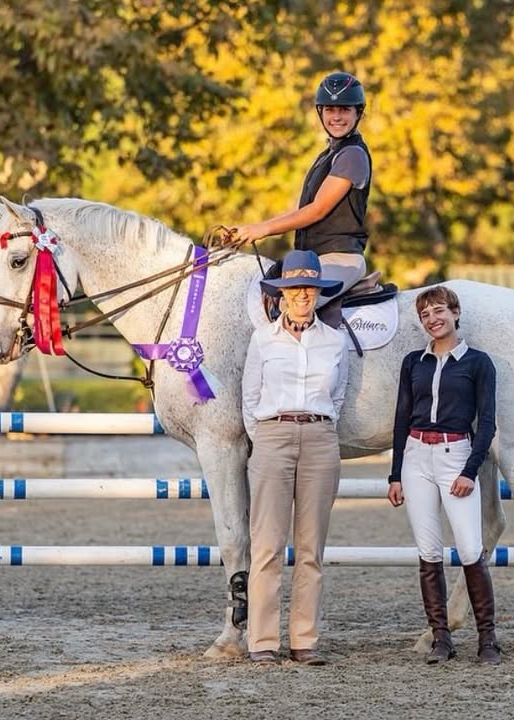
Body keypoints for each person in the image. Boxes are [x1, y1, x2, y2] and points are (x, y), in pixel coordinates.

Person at [241, 249, 349, 665]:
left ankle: (304, 639)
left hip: (320, 437)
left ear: (318, 293)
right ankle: (263, 641)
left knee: (311, 546)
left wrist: (318, 426)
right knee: (267, 544)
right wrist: (268, 436)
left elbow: (337, 395)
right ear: (282, 294)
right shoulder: (262, 339)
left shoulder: (335, 341)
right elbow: (250, 398)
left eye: (309, 288)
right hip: (272, 435)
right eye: (294, 288)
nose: (302, 295)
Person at [386, 286, 501, 665]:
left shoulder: (478, 363)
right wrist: (395, 474)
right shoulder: (413, 363)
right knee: (428, 551)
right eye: (425, 315)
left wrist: (470, 471)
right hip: (417, 456)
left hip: (456, 455)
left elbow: (486, 423)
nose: (432, 319)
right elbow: (402, 418)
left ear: (455, 312)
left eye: (439, 311)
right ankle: (441, 637)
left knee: (469, 548)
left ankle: (488, 639)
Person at [230, 71, 372, 307]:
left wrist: (262, 229)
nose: (336, 117)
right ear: (321, 112)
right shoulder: (328, 154)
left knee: (294, 305)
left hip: (340, 259)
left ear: (358, 113)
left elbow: (317, 210)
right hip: (313, 259)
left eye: (344, 110)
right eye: (330, 110)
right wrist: (249, 230)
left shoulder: (352, 155)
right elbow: (302, 211)